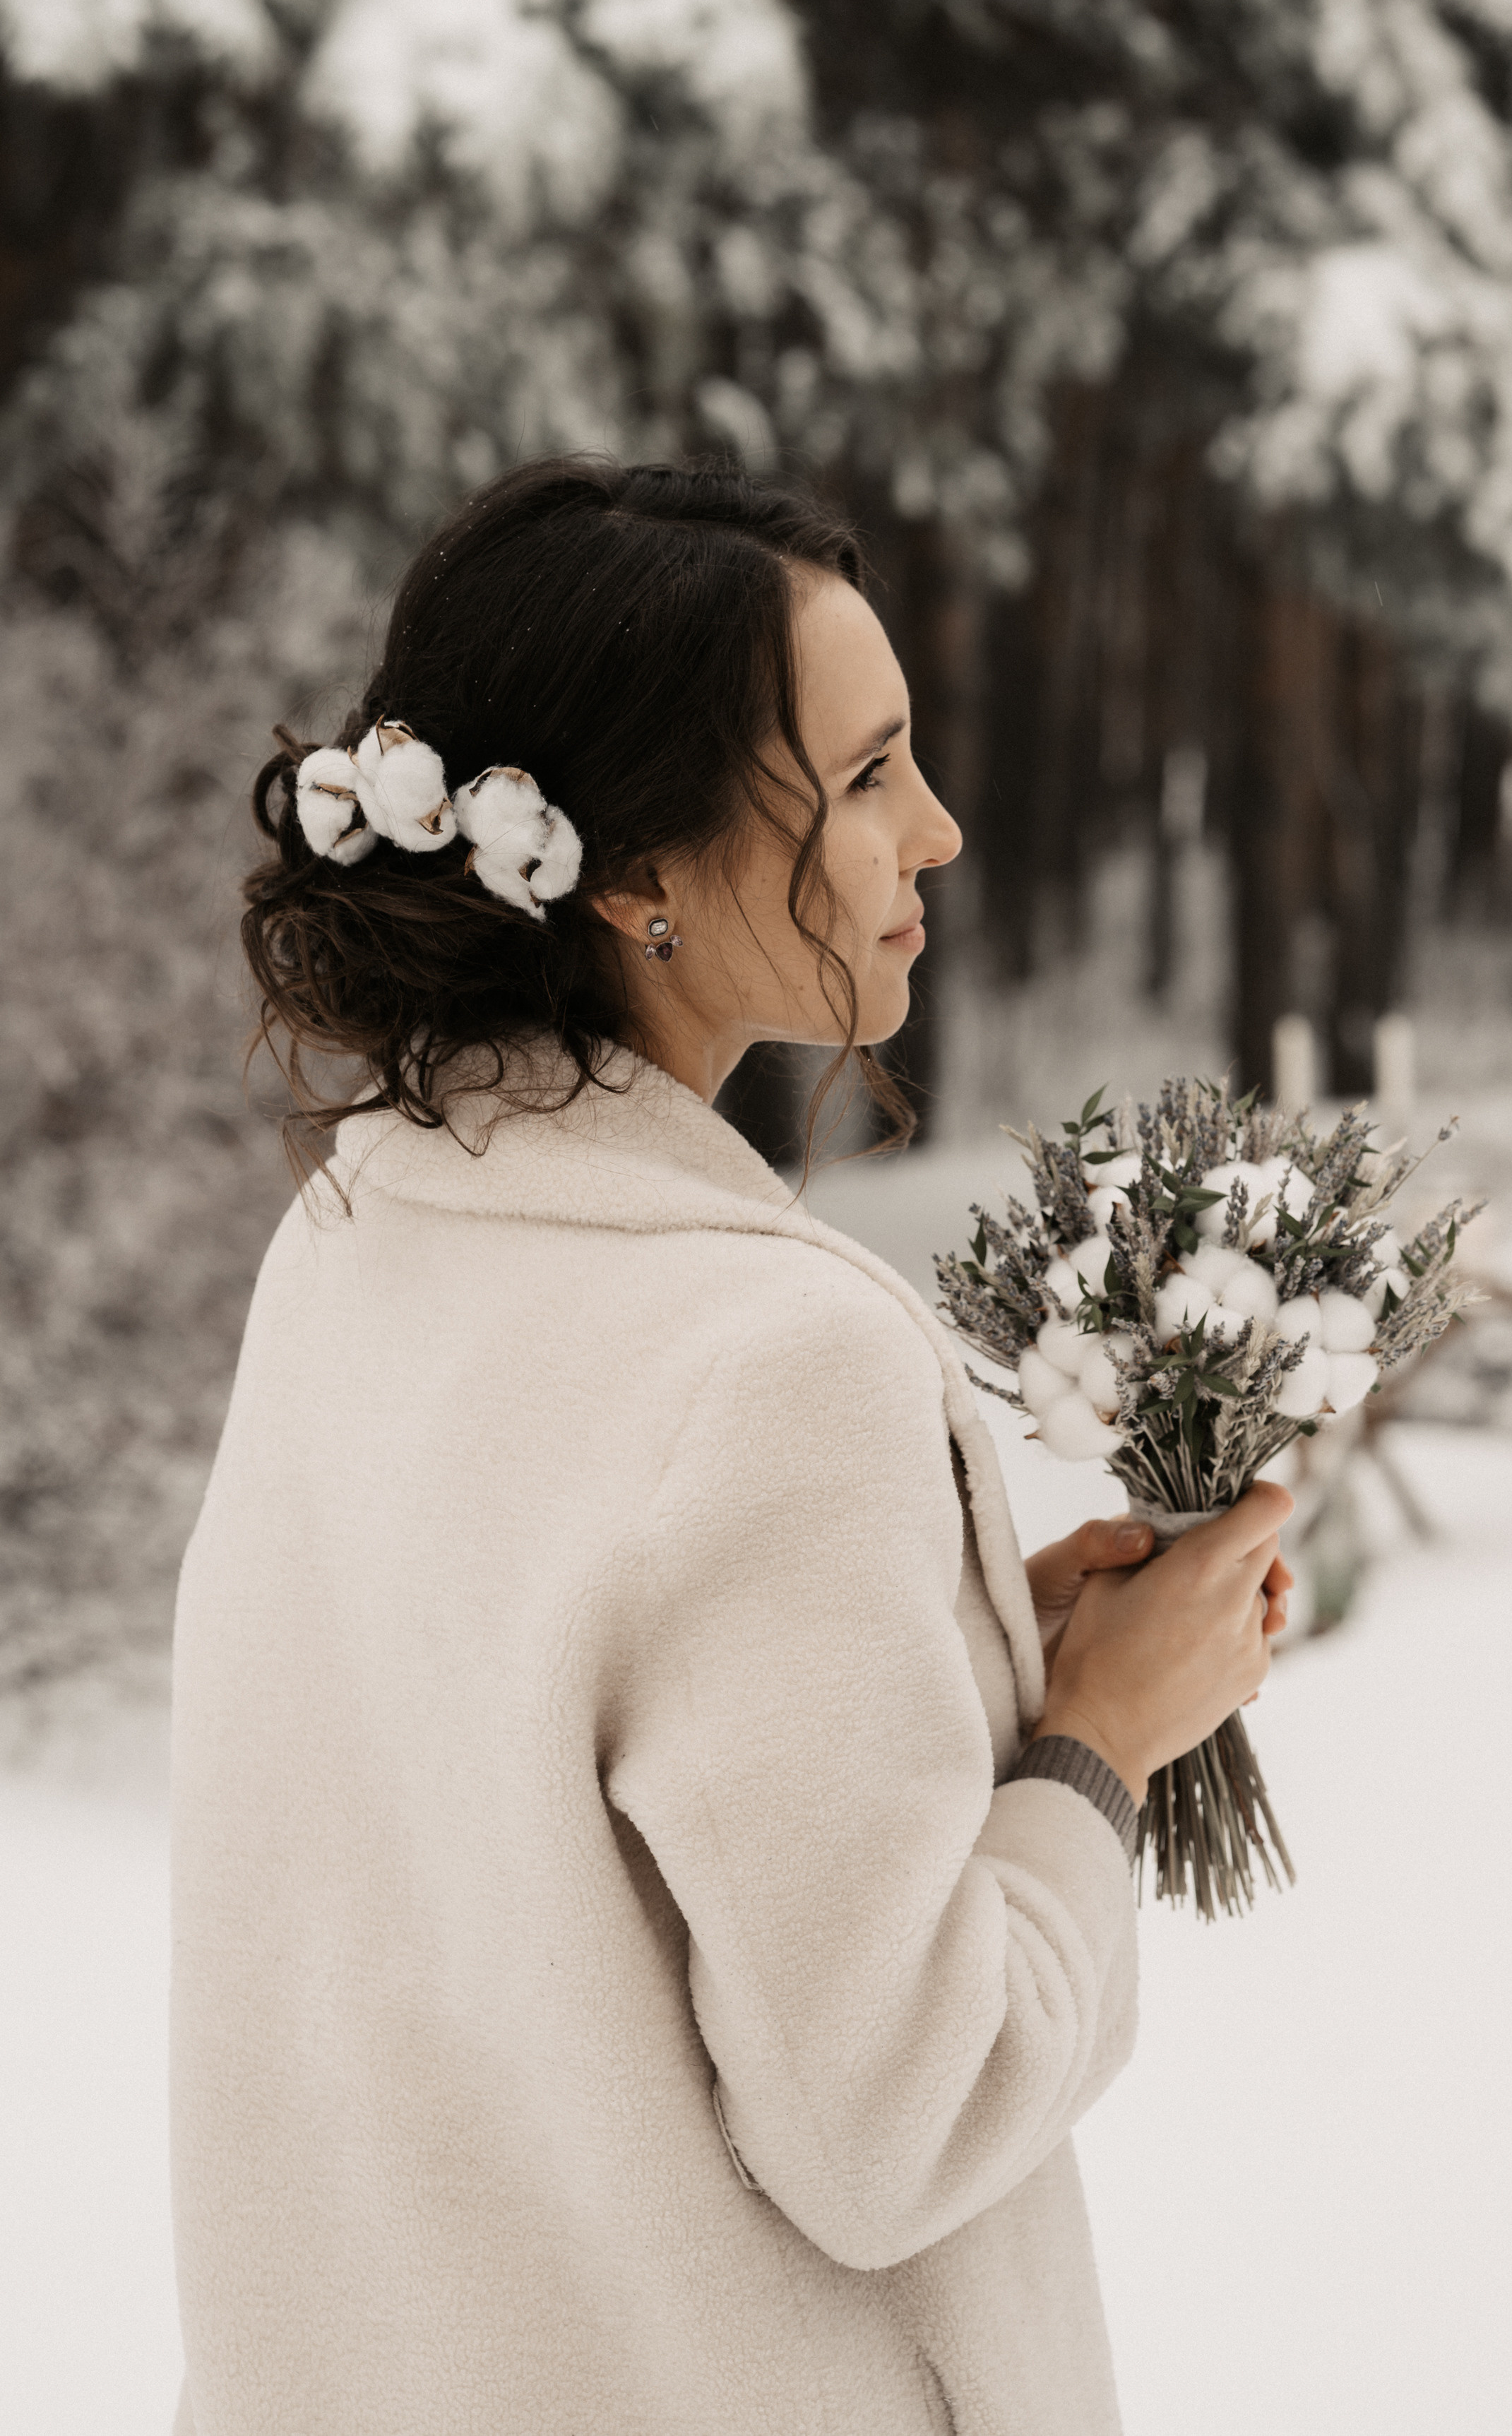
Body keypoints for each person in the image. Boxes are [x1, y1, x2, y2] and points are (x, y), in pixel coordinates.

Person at [168, 456, 1291, 2436]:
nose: (933, 832)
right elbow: (899, 2114)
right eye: (860, 779)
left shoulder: (362, 1233)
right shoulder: (771, 1356)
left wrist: (967, 1663)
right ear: (629, 873)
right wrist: (1097, 1753)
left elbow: (516, 1816)